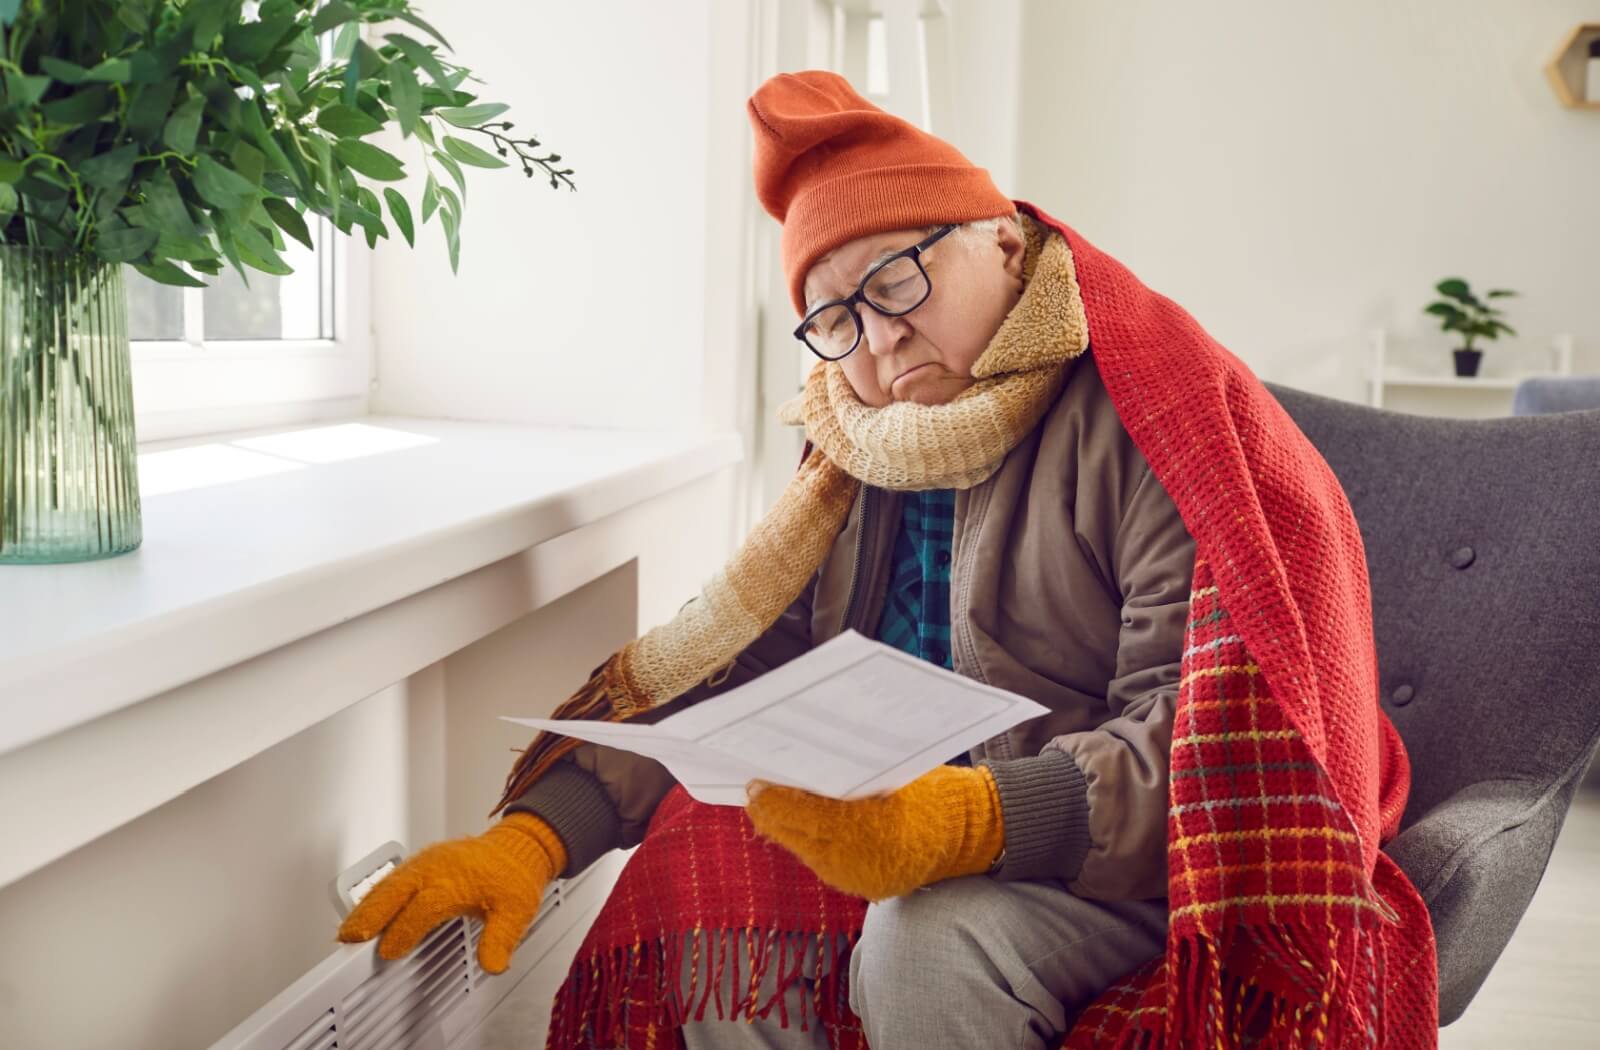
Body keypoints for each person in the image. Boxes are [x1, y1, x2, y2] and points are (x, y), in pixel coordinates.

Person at [338, 71, 1437, 1050]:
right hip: (913, 820)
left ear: (1005, 244)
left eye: (899, 279)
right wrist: (539, 836)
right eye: (833, 316)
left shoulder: (1162, 425)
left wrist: (963, 821)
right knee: (696, 883)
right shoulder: (856, 451)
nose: (876, 340)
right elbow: (742, 670)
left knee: (928, 941)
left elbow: (1201, 747)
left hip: (1130, 850)